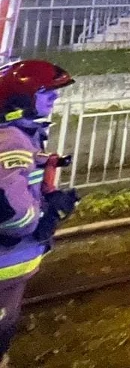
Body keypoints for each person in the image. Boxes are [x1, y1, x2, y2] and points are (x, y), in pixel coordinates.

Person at [0, 60, 78, 365]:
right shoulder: (12, 141)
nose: (55, 98)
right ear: (21, 99)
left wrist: (48, 194)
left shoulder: (18, 134)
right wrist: (45, 219)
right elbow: (11, 213)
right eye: (46, 93)